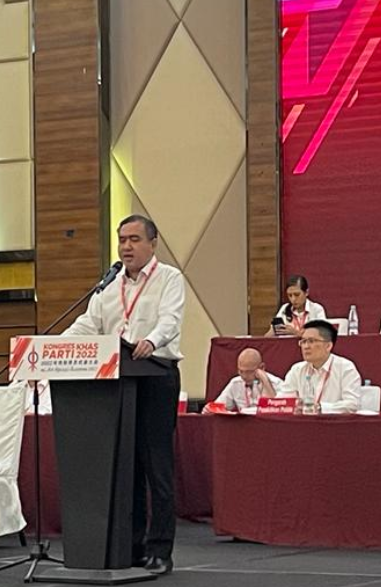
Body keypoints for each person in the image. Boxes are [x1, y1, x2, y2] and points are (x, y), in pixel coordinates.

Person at [63, 214, 184, 575]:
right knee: (124, 466)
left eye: (134, 239)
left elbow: (171, 319)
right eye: (121, 240)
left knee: (156, 467)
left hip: (154, 376)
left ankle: (160, 549)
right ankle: (129, 547)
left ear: (152, 243)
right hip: (115, 382)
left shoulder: (169, 278)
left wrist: (151, 341)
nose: (126, 247)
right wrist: (55, 347)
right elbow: (89, 324)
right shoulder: (110, 283)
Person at [279, 320, 362, 413]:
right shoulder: (297, 369)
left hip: (334, 425)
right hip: (303, 424)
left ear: (328, 346)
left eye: (311, 341)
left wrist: (320, 408)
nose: (306, 346)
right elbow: (282, 401)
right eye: (303, 341)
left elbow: (352, 404)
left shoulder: (345, 368)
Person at [205, 348, 281, 412]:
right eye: (241, 371)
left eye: (249, 372)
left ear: (262, 367)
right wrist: (210, 408)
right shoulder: (235, 383)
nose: (244, 376)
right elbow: (219, 406)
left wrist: (265, 381)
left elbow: (276, 410)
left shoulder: (276, 383)